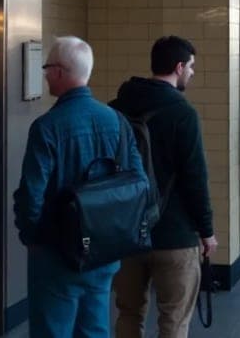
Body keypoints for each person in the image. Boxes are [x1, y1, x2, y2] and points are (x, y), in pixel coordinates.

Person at [13, 36, 144, 338]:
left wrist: (32, 236)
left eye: (47, 68)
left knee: (52, 330)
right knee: (94, 329)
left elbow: (32, 194)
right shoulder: (117, 121)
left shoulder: (47, 127)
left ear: (59, 72)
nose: (44, 74)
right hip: (104, 249)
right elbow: (138, 181)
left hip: (56, 252)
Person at [112, 36, 217, 338]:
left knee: (128, 313)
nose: (193, 73)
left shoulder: (117, 107)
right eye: (192, 67)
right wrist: (206, 230)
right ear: (179, 67)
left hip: (127, 231)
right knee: (173, 318)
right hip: (175, 234)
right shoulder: (183, 113)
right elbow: (194, 177)